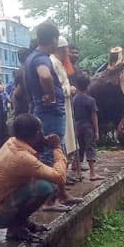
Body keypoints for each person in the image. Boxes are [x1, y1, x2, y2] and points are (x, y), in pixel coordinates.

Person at [0, 114, 78, 241]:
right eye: (41, 131)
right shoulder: (21, 157)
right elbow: (59, 177)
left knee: (42, 179)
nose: (44, 135)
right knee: (45, 187)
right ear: (37, 133)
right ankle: (15, 228)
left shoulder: (13, 142)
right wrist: (57, 148)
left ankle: (21, 223)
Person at [25, 23, 66, 166]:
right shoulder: (41, 58)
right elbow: (45, 75)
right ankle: (51, 185)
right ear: (54, 39)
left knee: (48, 149)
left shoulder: (32, 57)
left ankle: (54, 182)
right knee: (51, 150)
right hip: (50, 113)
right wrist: (51, 95)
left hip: (43, 111)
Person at [51, 36, 77, 175]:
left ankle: (64, 174)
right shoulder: (53, 63)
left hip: (66, 104)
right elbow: (57, 88)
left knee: (68, 142)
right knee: (63, 141)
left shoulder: (59, 63)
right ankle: (61, 174)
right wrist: (69, 90)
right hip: (61, 105)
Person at [71, 74, 103, 182]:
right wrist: (97, 131)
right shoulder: (90, 100)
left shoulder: (73, 99)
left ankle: (78, 173)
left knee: (79, 149)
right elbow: (94, 117)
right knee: (90, 148)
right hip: (88, 127)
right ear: (88, 86)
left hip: (77, 126)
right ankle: (92, 173)